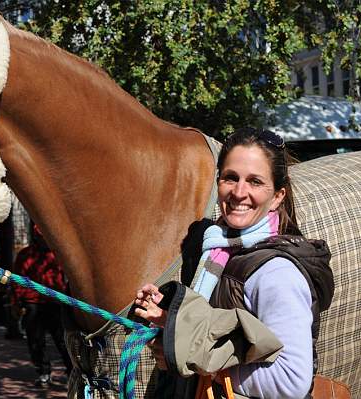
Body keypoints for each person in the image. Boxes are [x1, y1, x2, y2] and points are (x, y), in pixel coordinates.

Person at [134, 128, 334, 398]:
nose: (239, 192)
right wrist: (170, 319)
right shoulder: (218, 248)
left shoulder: (276, 273)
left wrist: (195, 361)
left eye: (255, 181)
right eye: (231, 178)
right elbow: (219, 328)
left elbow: (292, 380)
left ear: (277, 197)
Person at [12, 224, 73, 387]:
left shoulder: (58, 254)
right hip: (33, 305)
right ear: (36, 237)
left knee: (63, 341)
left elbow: (68, 277)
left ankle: (72, 372)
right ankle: (44, 372)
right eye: (41, 237)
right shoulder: (25, 255)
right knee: (36, 341)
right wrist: (16, 303)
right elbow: (17, 281)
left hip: (55, 304)